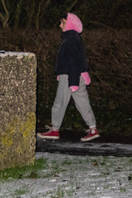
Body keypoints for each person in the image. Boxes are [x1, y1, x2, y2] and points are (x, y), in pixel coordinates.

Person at [37, 12, 100, 142]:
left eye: (63, 22)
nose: (60, 25)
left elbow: (73, 62)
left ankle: (55, 130)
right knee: (82, 102)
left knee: (60, 102)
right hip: (75, 75)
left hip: (71, 76)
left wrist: (73, 81)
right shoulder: (74, 39)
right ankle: (93, 129)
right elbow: (78, 61)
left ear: (70, 24)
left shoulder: (71, 40)